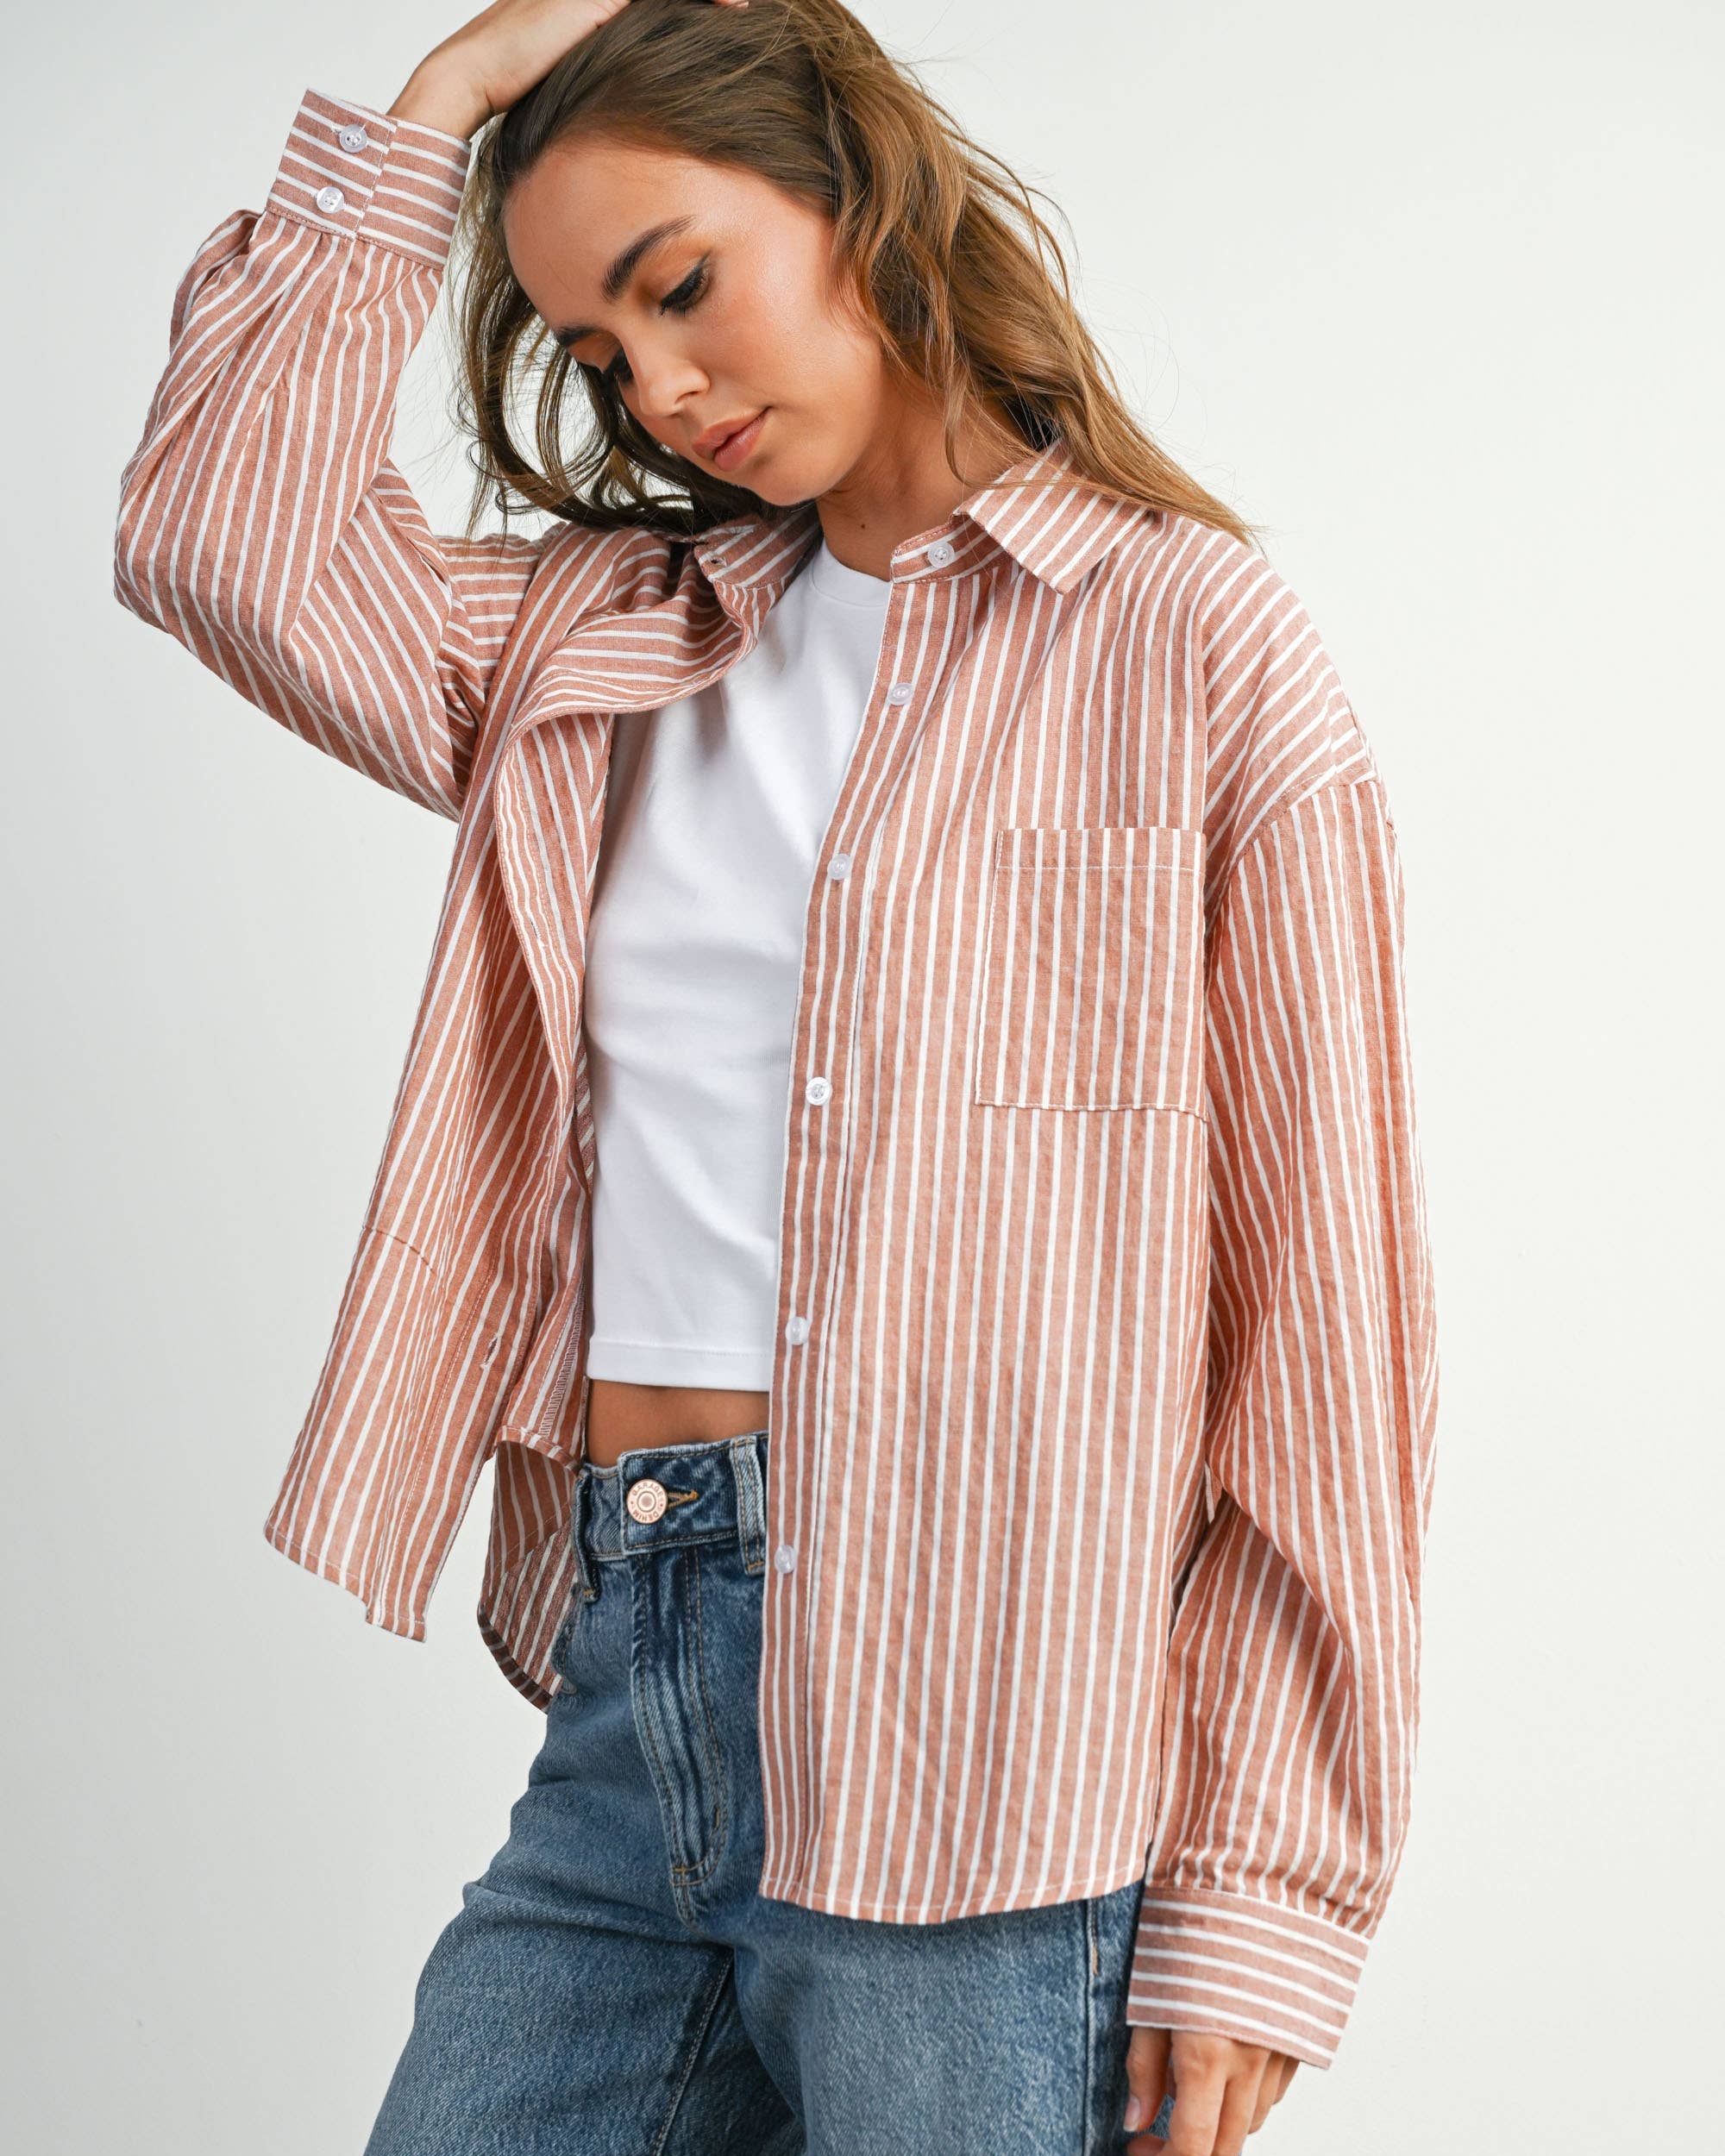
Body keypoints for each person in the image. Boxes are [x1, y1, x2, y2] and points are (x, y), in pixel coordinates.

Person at [112, 3, 1440, 2151]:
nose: (660, 389)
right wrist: (428, 112)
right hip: (632, 1665)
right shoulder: (609, 637)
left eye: (679, 285)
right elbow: (217, 542)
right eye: (598, 349)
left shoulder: (1192, 644)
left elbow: (1328, 1319)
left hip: (983, 1731)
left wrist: (1263, 1890)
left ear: (853, 192)